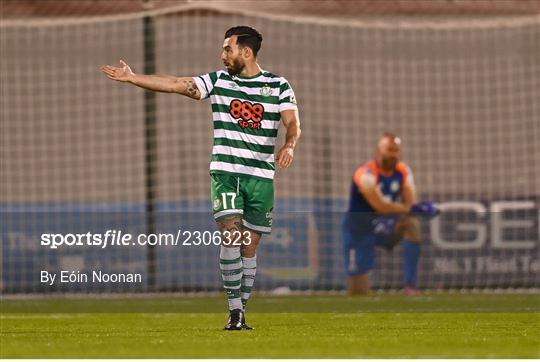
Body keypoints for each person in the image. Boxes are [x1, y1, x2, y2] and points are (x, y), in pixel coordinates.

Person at [101, 26, 301, 330]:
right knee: (231, 237)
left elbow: (293, 123)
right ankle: (235, 312)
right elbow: (176, 84)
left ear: (246, 52)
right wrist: (134, 77)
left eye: (228, 49)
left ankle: (241, 312)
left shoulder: (278, 85)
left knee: (249, 247)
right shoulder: (218, 81)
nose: (222, 56)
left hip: (260, 177)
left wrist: (289, 145)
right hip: (226, 172)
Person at [343, 133, 437, 296]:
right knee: (358, 291)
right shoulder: (365, 174)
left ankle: (410, 285)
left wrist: (416, 207)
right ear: (379, 151)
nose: (393, 153)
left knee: (412, 224)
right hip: (359, 232)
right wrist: (415, 208)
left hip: (385, 227)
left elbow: (410, 203)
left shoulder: (403, 171)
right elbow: (380, 206)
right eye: (389, 149)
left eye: (396, 150)